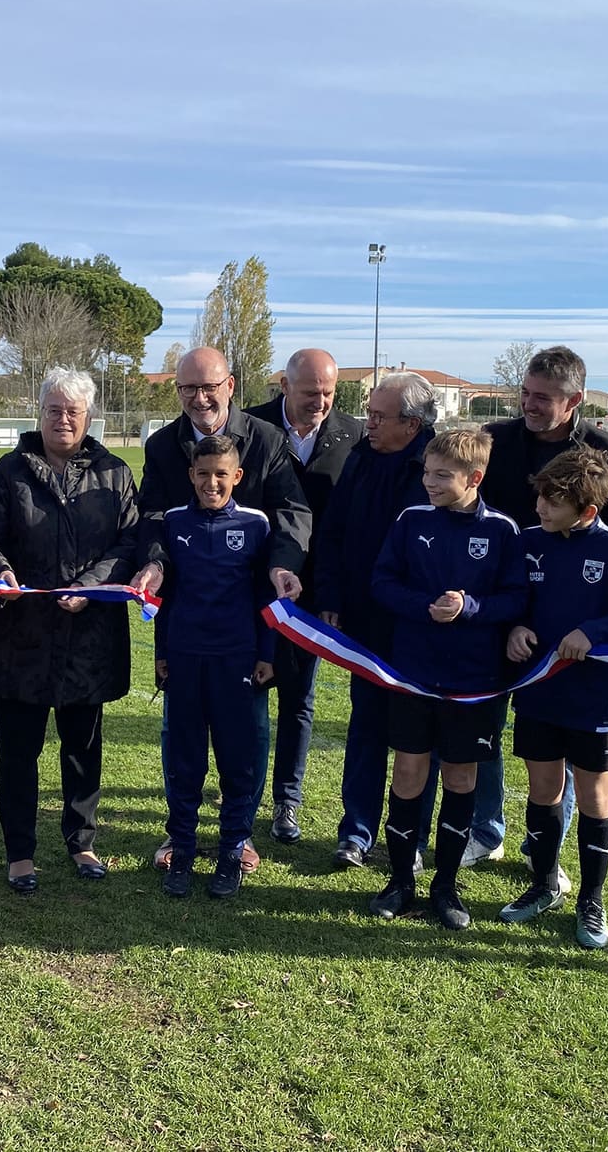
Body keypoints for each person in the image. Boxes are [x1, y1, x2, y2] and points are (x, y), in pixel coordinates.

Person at [131, 346, 310, 871]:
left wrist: (281, 565)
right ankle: (178, 835)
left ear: (230, 385)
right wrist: (156, 563)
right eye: (188, 389)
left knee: (247, 735)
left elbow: (292, 511)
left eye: (209, 387)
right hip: (187, 627)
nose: (199, 397)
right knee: (180, 736)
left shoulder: (268, 440)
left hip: (246, 623)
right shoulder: (164, 446)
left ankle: (241, 835)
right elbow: (153, 518)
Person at [0, 369, 138, 894]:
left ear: (88, 417)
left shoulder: (115, 474)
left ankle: (82, 840)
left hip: (90, 637)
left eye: (73, 412)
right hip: (21, 637)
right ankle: (20, 852)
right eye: (53, 410)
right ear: (39, 414)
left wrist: (91, 585)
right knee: (18, 750)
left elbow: (129, 546)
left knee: (83, 747)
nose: (63, 419)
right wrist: (0, 574)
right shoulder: (9, 472)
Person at [468, 346, 608, 878]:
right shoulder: (495, 441)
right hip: (502, 613)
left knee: (561, 748)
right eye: (525, 393)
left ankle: (546, 852)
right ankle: (487, 829)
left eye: (542, 397)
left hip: (570, 633)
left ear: (575, 400)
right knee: (486, 723)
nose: (530, 404)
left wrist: (591, 629)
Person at [367, 428, 526, 930]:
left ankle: (446, 885)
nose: (429, 482)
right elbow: (382, 582)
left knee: (461, 777)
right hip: (415, 674)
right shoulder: (412, 520)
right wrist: (423, 607)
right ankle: (399, 880)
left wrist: (470, 607)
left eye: (441, 475)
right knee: (409, 773)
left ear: (474, 478)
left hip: (474, 681)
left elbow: (517, 599)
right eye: (426, 472)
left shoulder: (502, 530)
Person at [501, 449, 608, 947]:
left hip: (593, 695)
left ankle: (592, 898)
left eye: (552, 501)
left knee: (593, 793)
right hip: (538, 689)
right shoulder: (526, 543)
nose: (541, 508)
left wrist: (593, 632)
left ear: (587, 511)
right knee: (543, 787)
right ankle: (543, 883)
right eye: (540, 498)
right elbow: (509, 599)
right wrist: (515, 626)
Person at [316, 372, 442, 869]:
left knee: (418, 737)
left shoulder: (440, 464)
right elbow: (334, 531)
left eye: (377, 416)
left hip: (420, 628)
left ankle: (410, 838)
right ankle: (357, 832)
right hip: (365, 624)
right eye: (368, 413)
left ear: (411, 424)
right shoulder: (361, 458)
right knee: (366, 727)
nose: (365, 423)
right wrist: (331, 595)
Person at [244, 348, 363, 844]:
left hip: (312, 589)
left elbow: (347, 522)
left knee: (298, 698)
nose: (321, 402)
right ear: (284, 386)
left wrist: (331, 591)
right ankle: (239, 787)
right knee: (244, 692)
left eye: (329, 393)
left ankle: (285, 802)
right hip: (251, 582)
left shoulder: (354, 436)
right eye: (311, 392)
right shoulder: (250, 428)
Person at [155, 436, 277, 899]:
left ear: (237, 477)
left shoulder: (255, 525)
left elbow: (266, 597)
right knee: (186, 760)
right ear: (191, 475)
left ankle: (231, 851)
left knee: (237, 760)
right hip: (185, 657)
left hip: (236, 659)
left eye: (221, 475)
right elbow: (166, 595)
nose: (211, 483)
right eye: (203, 474)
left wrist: (266, 654)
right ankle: (183, 850)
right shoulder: (174, 522)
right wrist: (161, 653)